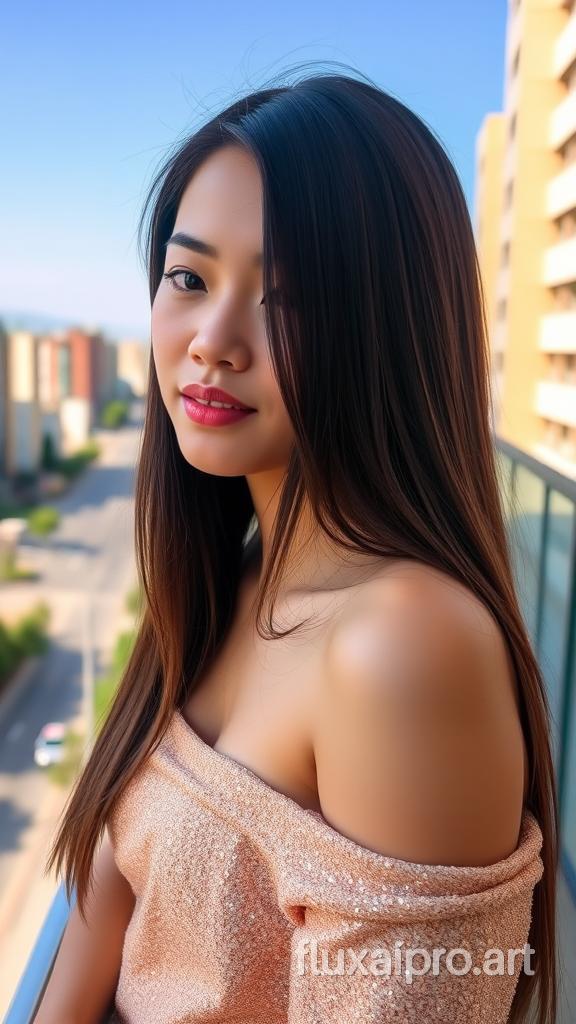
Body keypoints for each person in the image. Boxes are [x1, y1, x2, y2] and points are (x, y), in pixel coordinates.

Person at [35, 64, 558, 1024]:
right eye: (189, 278)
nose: (214, 341)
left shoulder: (406, 646)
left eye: (289, 297)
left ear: (390, 327)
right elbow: (101, 911)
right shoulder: (227, 573)